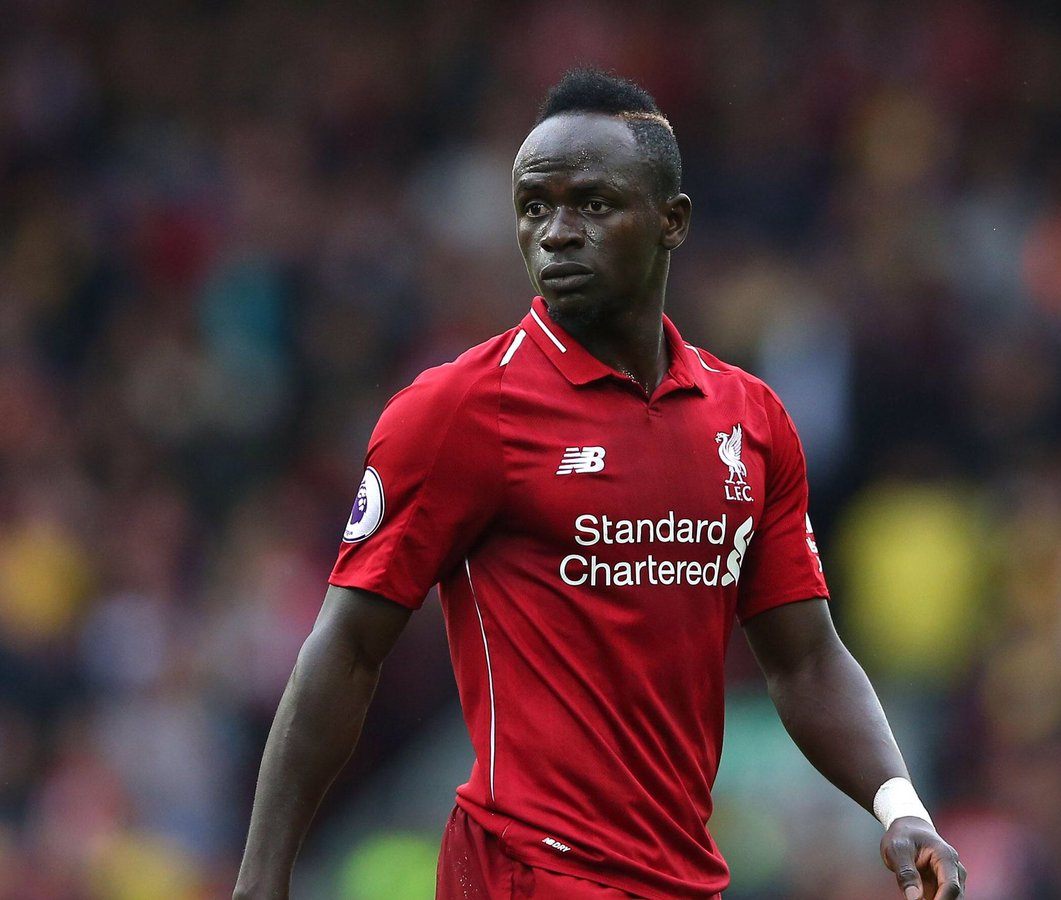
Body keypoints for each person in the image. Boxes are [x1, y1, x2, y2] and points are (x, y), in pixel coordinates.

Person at [234, 69, 966, 900]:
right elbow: (347, 648)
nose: (555, 232)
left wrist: (900, 807)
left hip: (680, 877)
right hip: (524, 871)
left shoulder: (749, 421)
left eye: (591, 204)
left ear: (671, 221)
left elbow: (805, 660)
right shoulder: (459, 410)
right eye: (533, 206)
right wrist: (262, 879)